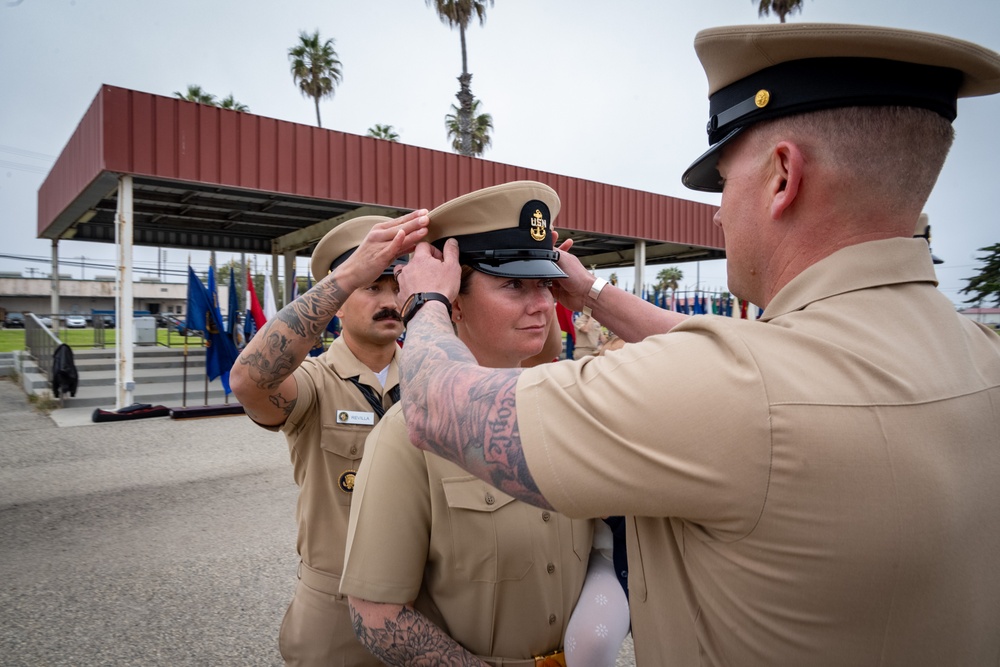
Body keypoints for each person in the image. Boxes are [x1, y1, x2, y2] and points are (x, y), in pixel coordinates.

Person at [391, 23, 1000, 666]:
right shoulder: (979, 353)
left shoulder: (731, 390)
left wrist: (426, 298)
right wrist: (595, 294)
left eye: (724, 178)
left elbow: (435, 405)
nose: (716, 211)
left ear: (782, 175)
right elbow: (748, 355)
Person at [340, 181, 593, 667]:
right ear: (453, 300)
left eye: (543, 283)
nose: (541, 304)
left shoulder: (566, 403)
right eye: (513, 284)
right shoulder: (407, 434)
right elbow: (376, 614)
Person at [230, 211, 429, 666]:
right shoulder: (314, 381)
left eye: (396, 286)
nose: (389, 300)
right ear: (337, 301)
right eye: (371, 286)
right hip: (337, 615)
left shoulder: (430, 375)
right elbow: (248, 382)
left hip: (429, 604)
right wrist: (345, 277)